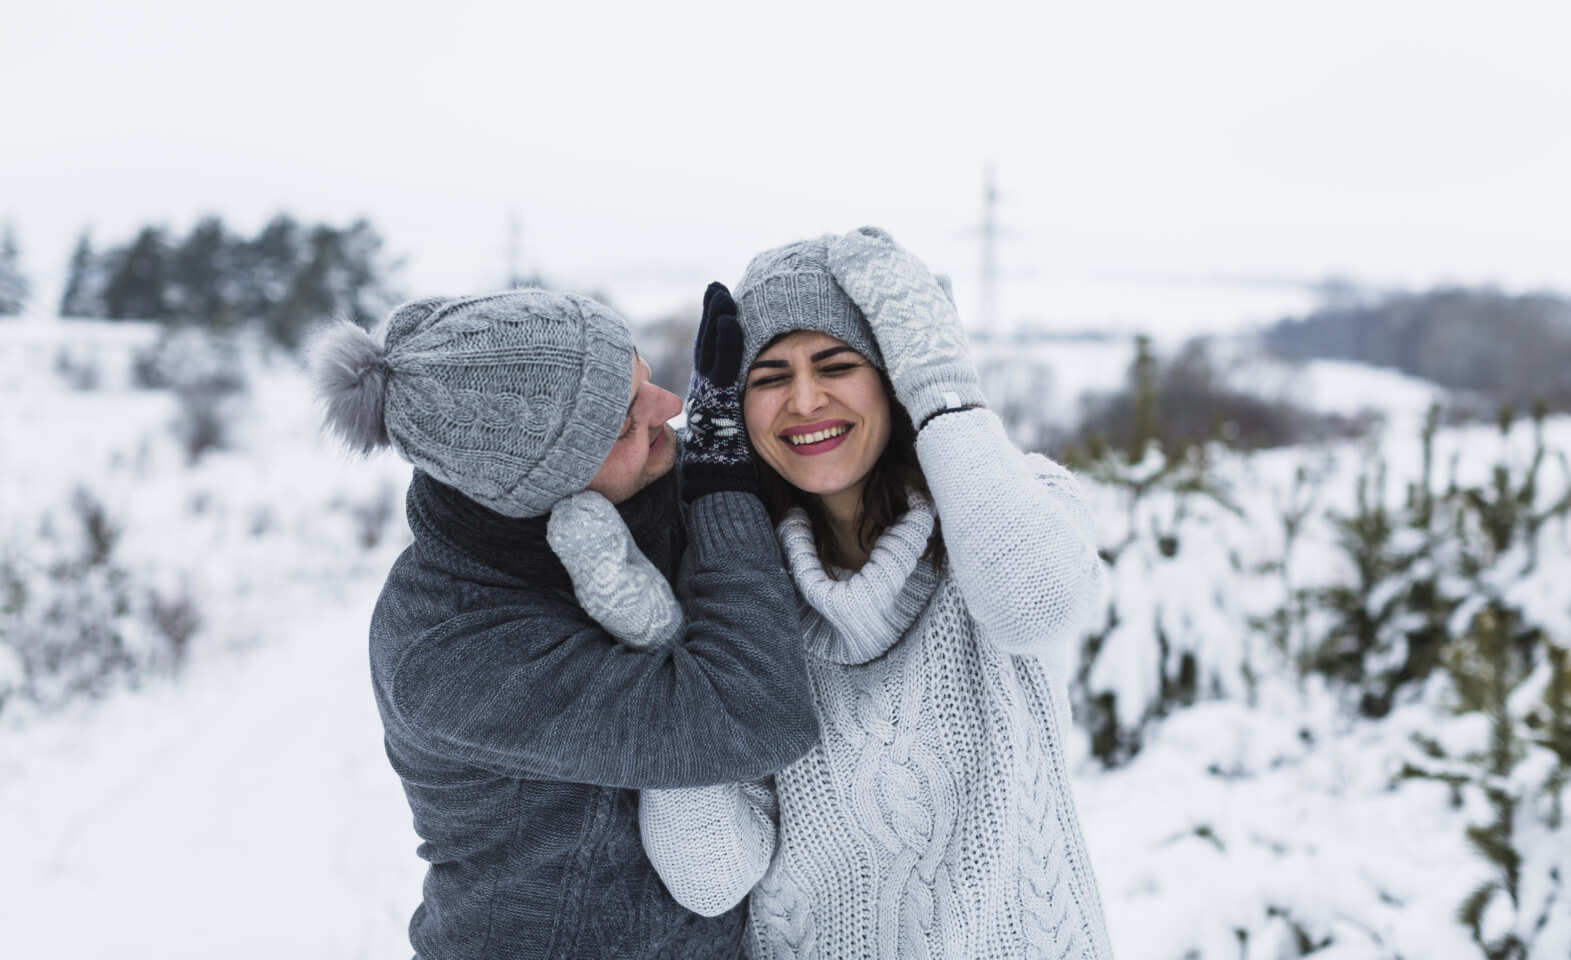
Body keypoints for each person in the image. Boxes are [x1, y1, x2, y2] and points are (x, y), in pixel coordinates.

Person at [567, 228, 1115, 959]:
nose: (804, 400)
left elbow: (1036, 608)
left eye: (837, 364)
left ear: (894, 375)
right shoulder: (738, 597)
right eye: (769, 378)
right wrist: (662, 649)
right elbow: (711, 876)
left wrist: (942, 387)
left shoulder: (1013, 507)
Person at [306, 287, 820, 960]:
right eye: (624, 422)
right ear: (544, 483)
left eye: (642, 374)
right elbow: (753, 716)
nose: (671, 406)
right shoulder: (448, 649)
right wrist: (722, 482)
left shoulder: (631, 492)